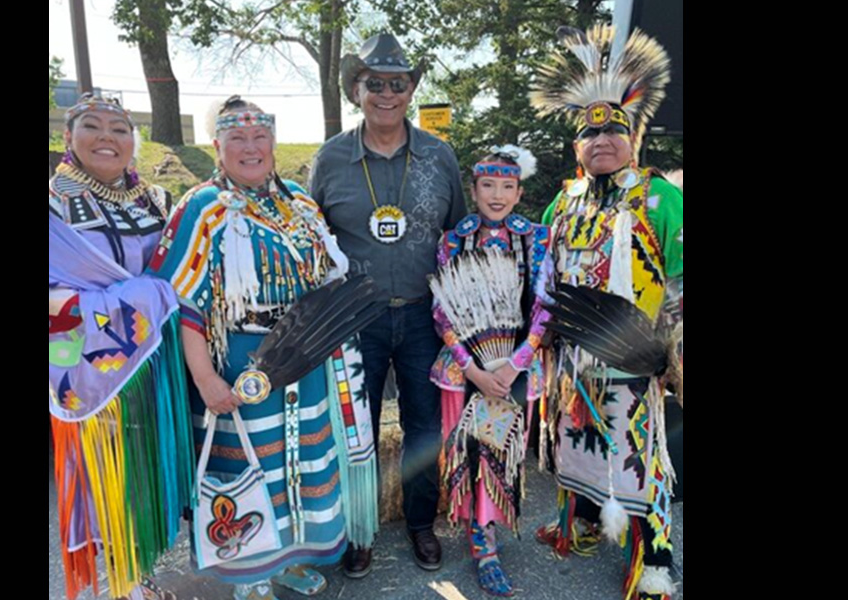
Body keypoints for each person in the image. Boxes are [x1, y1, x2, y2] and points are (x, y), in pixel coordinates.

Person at [147, 96, 377, 600]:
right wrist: (206, 378)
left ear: (273, 144)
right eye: (237, 139)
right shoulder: (202, 207)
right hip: (242, 360)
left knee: (303, 457)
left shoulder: (299, 202)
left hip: (306, 358)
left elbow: (329, 277)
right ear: (218, 147)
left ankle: (290, 557)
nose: (250, 148)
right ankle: (250, 572)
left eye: (259, 138)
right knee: (251, 462)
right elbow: (182, 304)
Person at [530, 25, 683, 600]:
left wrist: (672, 353)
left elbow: (681, 278)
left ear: (634, 139)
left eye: (613, 130)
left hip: (634, 356)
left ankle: (657, 561)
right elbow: (542, 275)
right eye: (590, 134)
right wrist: (539, 337)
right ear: (576, 148)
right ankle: (586, 524)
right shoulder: (562, 201)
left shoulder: (659, 198)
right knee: (580, 445)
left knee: (641, 456)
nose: (601, 140)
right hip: (573, 358)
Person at [309, 32, 467, 578]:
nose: (386, 94)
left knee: (425, 426)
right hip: (356, 319)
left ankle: (422, 523)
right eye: (374, 83)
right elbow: (311, 241)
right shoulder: (330, 159)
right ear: (357, 89)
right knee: (356, 430)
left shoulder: (439, 156)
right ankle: (360, 530)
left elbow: (459, 236)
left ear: (410, 92)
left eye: (397, 84)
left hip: (426, 316)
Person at [49, 92, 189, 600]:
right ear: (69, 137)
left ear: (134, 141)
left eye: (120, 128)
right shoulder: (53, 204)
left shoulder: (155, 200)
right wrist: (134, 300)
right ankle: (125, 579)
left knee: (147, 464)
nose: (107, 137)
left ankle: (143, 566)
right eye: (93, 125)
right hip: (91, 364)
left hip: (154, 359)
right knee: (106, 470)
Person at [429, 145, 551, 596]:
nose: (496, 195)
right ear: (473, 189)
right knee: (471, 453)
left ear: (519, 192)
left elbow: (545, 306)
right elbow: (442, 313)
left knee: (501, 454)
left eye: (507, 186)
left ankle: (490, 533)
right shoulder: (453, 240)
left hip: (514, 368)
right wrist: (474, 369)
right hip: (465, 371)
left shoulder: (538, 239)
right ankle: (480, 539)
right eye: (487, 185)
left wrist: (515, 364)